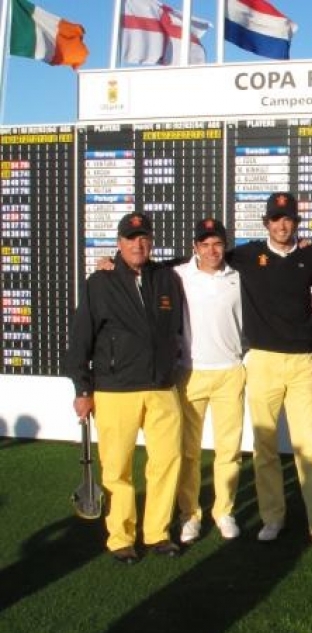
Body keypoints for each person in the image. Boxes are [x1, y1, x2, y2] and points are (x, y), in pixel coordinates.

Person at [229, 192, 312, 551]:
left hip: (302, 362)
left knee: (311, 447)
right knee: (265, 447)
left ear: (296, 223)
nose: (283, 225)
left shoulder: (311, 255)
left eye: (289, 219)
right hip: (263, 360)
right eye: (277, 219)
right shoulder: (247, 255)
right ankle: (272, 518)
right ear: (266, 222)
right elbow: (206, 258)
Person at [65, 212, 184, 563]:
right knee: (117, 469)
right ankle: (121, 537)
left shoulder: (165, 277)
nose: (138, 244)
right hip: (115, 389)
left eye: (144, 237)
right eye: (131, 238)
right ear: (119, 243)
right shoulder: (99, 281)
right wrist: (82, 389)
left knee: (166, 462)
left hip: (161, 386)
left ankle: (158, 532)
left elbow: (207, 256)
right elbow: (80, 339)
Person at [174, 218, 245, 544]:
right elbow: (141, 268)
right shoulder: (178, 275)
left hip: (231, 371)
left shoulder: (238, 277)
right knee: (188, 452)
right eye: (205, 244)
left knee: (228, 450)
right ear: (195, 248)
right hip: (192, 372)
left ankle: (224, 511)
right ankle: (189, 515)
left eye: (217, 244)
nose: (212, 250)